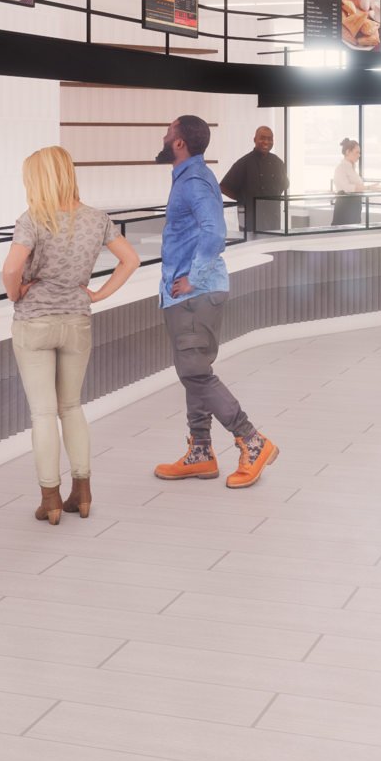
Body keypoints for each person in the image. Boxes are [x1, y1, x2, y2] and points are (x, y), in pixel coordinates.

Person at [2, 147, 140, 526]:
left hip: (34, 322)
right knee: (72, 407)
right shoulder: (97, 219)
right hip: (77, 320)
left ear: (39, 178)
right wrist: (97, 294)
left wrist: (16, 293)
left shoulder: (33, 218)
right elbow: (131, 260)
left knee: (44, 413)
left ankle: (49, 499)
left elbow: (12, 266)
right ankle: (82, 492)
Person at [150, 115, 280, 488]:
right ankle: (202, 451)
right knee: (196, 372)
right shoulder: (194, 177)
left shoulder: (192, 180)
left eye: (168, 133)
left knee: (193, 372)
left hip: (196, 294)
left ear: (179, 144)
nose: (164, 137)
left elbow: (215, 231)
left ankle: (253, 440)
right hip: (193, 296)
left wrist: (194, 277)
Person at [217, 125, 287, 237]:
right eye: (262, 138)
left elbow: (283, 186)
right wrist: (243, 198)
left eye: (270, 138)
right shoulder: (244, 163)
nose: (266, 142)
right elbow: (223, 188)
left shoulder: (278, 162)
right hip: (250, 220)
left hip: (273, 220)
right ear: (255, 140)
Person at [330, 138, 381, 227]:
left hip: (355, 206)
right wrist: (369, 188)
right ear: (348, 152)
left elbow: (352, 187)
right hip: (345, 207)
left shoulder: (352, 169)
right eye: (357, 152)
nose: (359, 155)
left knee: (354, 233)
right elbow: (347, 188)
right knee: (342, 234)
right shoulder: (340, 168)